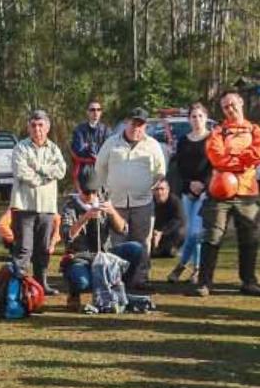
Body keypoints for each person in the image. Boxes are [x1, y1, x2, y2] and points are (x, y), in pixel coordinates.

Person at [190, 88, 260, 297]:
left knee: (249, 239)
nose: (230, 109)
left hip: (248, 193)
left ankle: (248, 281)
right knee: (212, 236)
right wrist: (240, 161)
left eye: (232, 104)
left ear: (241, 103)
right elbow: (216, 156)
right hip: (219, 193)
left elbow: (256, 152)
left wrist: (235, 160)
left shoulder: (255, 130)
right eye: (225, 107)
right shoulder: (217, 132)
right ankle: (204, 282)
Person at [94, 107, 167, 290]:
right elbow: (100, 168)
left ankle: (140, 279)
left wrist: (145, 187)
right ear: (127, 122)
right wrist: (103, 191)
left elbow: (160, 172)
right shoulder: (111, 143)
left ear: (145, 126)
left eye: (141, 125)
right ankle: (117, 278)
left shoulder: (153, 145)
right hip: (116, 203)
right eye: (134, 123)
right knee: (118, 242)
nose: (137, 128)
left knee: (142, 242)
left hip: (142, 202)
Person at [60, 167, 145, 310]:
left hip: (105, 254)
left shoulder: (103, 200)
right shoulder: (70, 206)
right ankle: (74, 293)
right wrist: (85, 218)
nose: (91, 196)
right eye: (87, 192)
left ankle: (121, 288)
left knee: (136, 249)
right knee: (82, 282)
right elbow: (67, 236)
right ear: (78, 187)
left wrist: (112, 212)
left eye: (94, 191)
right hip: (81, 257)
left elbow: (123, 229)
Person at [10, 110, 67, 294]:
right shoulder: (20, 148)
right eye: (33, 125)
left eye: (41, 125)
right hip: (24, 205)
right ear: (28, 127)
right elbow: (22, 173)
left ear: (47, 127)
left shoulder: (54, 149)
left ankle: (41, 284)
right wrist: (43, 178)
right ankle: (19, 286)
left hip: (47, 206)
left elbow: (61, 171)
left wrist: (39, 168)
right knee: (24, 249)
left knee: (43, 248)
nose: (37, 129)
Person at [168, 101, 211, 283]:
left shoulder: (213, 139)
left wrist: (203, 186)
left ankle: (188, 267)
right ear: (189, 119)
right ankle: (192, 268)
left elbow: (214, 166)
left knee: (196, 233)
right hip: (187, 192)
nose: (197, 119)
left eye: (200, 116)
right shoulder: (184, 141)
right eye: (194, 116)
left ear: (206, 118)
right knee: (188, 233)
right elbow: (180, 168)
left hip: (206, 192)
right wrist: (189, 184)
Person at [70, 100, 109, 185]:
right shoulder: (79, 130)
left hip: (103, 170)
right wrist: (95, 150)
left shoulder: (106, 130)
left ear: (101, 112)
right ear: (87, 112)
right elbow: (79, 151)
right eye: (92, 110)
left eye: (98, 110)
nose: (96, 112)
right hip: (84, 171)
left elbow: (108, 150)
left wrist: (88, 147)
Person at [150, 177, 186, 260]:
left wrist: (162, 232)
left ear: (168, 190)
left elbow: (178, 220)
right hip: (153, 232)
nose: (159, 192)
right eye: (157, 189)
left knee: (181, 231)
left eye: (162, 189)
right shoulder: (149, 203)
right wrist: (153, 232)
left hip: (169, 233)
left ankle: (170, 249)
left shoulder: (175, 202)